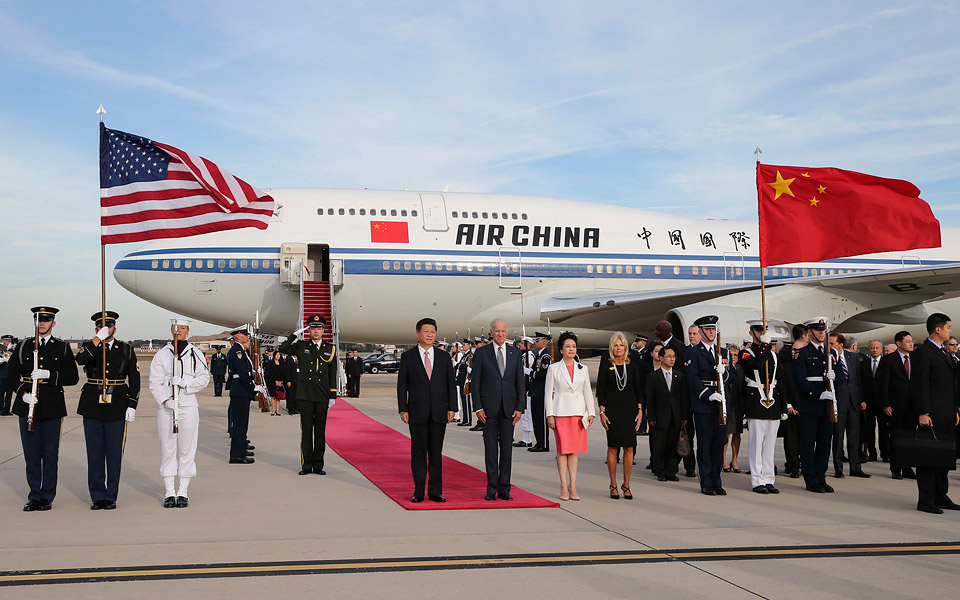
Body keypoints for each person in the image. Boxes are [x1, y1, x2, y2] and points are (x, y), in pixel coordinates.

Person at [9, 306, 79, 511]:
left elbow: (72, 377)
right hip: (27, 406)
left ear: (53, 323)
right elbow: (10, 377)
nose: (42, 323)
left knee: (49, 454)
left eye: (46, 320)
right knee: (31, 454)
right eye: (39, 320)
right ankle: (34, 495)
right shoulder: (23, 346)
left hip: (52, 406)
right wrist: (24, 393)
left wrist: (49, 374)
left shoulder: (62, 348)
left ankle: (47, 495)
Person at [74, 311, 140, 510]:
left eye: (108, 326)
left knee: (113, 454)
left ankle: (111, 496)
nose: (105, 329)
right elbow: (81, 360)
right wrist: (97, 339)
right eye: (100, 327)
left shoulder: (126, 349)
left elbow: (134, 381)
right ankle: (97, 496)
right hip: (92, 404)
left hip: (117, 404)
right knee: (94, 454)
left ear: (115, 328)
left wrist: (132, 405)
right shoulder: (90, 346)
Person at [149, 317, 210, 508]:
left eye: (183, 328)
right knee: (168, 449)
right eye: (176, 328)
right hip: (168, 406)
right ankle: (169, 491)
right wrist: (165, 400)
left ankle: (183, 491)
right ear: (171, 330)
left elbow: (204, 378)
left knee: (187, 449)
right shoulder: (162, 354)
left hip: (188, 404)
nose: (179, 331)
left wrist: (186, 384)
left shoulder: (195, 353)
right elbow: (154, 382)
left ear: (187, 331)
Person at [397, 318, 457, 503]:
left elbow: (450, 384)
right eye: (426, 331)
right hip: (417, 412)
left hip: (439, 412)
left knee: (436, 454)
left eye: (432, 331)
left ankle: (435, 491)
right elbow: (402, 386)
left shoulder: (444, 357)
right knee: (418, 454)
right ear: (418, 333)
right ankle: (418, 491)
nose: (430, 335)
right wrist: (403, 409)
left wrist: (453, 407)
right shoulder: (408, 357)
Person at [909, 313, 960, 514]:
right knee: (929, 458)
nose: (950, 330)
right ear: (937, 329)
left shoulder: (944, 351)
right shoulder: (924, 352)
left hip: (947, 412)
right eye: (947, 327)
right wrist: (923, 412)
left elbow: (950, 384)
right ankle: (926, 500)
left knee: (944, 459)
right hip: (932, 414)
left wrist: (955, 408)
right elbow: (919, 384)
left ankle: (941, 495)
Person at [471, 319, 525, 501]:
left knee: (507, 452)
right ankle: (491, 489)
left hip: (509, 410)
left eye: (503, 331)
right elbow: (475, 383)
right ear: (491, 333)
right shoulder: (481, 353)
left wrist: (520, 408)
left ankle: (504, 489)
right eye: (497, 331)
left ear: (507, 332)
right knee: (491, 451)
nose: (500, 334)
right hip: (488, 410)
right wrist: (477, 407)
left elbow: (520, 383)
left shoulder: (516, 353)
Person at [277, 314, 337, 475]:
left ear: (323, 330)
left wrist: (332, 395)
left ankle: (318, 465)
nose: (315, 331)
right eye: (312, 328)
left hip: (322, 395)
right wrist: (293, 336)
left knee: (319, 431)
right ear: (308, 330)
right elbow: (282, 349)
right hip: (305, 394)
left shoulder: (330, 349)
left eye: (318, 328)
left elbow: (332, 373)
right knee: (306, 432)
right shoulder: (301, 346)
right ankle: (306, 465)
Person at [792, 317, 845, 494]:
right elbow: (799, 380)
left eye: (823, 329)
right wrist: (817, 393)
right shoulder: (803, 353)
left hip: (827, 404)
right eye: (818, 329)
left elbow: (842, 376)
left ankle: (821, 477)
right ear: (809, 332)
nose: (822, 332)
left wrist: (834, 377)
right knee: (808, 444)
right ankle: (811, 479)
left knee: (824, 444)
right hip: (810, 404)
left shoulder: (830, 354)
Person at [682, 315, 730, 496]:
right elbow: (692, 378)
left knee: (719, 444)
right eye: (707, 329)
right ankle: (706, 482)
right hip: (704, 403)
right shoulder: (694, 352)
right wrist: (708, 395)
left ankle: (717, 481)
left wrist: (723, 373)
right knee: (705, 444)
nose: (711, 332)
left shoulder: (723, 352)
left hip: (721, 402)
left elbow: (731, 377)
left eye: (713, 329)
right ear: (700, 331)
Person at [545, 331, 595, 501]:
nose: (571, 349)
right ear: (561, 350)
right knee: (562, 450)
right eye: (568, 346)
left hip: (578, 415)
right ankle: (563, 484)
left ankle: (573, 485)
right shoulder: (554, 368)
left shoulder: (583, 369)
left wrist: (591, 412)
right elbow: (548, 393)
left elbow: (587, 391)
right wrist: (549, 414)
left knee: (574, 451)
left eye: (573, 346)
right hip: (560, 413)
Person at [739, 321, 785, 494]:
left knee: (769, 445)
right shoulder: (746, 353)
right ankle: (757, 480)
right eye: (758, 331)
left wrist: (784, 404)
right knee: (756, 444)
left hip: (773, 401)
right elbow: (758, 363)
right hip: (756, 401)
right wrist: (764, 345)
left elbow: (780, 380)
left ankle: (768, 478)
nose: (761, 333)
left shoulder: (773, 355)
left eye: (763, 330)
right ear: (751, 333)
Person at [597, 332, 642, 499]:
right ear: (611, 347)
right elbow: (600, 390)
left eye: (621, 345)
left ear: (625, 347)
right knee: (613, 447)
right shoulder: (606, 364)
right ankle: (613, 484)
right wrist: (601, 411)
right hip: (612, 410)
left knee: (629, 447)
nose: (618, 348)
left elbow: (637, 388)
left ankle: (627, 484)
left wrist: (639, 409)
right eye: (615, 345)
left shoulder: (632, 365)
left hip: (629, 409)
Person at [877, 331, 917, 480]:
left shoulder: (915, 358)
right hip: (895, 405)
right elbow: (883, 383)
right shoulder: (889, 360)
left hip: (913, 406)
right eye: (907, 341)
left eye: (911, 341)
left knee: (910, 437)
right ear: (899, 343)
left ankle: (907, 467)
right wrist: (885, 404)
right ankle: (896, 467)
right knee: (896, 437)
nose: (911, 344)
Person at [646, 345, 688, 482]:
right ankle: (660, 470)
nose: (672, 359)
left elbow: (683, 398)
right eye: (669, 356)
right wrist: (651, 416)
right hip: (660, 417)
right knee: (660, 445)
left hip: (675, 417)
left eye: (673, 356)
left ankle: (671, 470)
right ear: (661, 358)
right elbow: (649, 398)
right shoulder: (653, 376)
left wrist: (684, 416)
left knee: (672, 445)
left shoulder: (679, 376)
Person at [830, 333, 869, 478]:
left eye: (832, 343)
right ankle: (838, 469)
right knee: (838, 437)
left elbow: (858, 380)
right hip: (838, 401)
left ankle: (855, 467)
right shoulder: (829, 358)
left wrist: (861, 400)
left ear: (840, 344)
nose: (830, 346)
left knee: (854, 436)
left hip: (853, 401)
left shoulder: (852, 357)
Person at [227, 326, 263, 464]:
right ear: (237, 337)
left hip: (241, 390)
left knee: (242, 424)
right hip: (241, 390)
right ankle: (236, 455)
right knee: (239, 424)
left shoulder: (240, 350)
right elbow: (243, 373)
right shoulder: (237, 351)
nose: (247, 337)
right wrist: (252, 387)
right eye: (245, 335)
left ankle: (241, 449)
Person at [778, 324, 806, 479]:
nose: (795, 353)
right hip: (790, 406)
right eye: (794, 350)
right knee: (791, 439)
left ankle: (803, 464)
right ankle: (793, 466)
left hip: (805, 405)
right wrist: (788, 404)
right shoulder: (785, 361)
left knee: (805, 439)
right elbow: (782, 384)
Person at [860, 339, 884, 463]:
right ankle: (871, 453)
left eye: (877, 348)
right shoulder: (863, 363)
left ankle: (885, 453)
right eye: (872, 348)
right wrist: (862, 400)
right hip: (868, 402)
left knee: (883, 428)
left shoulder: (886, 363)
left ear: (881, 349)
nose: (874, 350)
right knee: (869, 428)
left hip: (882, 402)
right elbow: (860, 383)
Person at [527, 333, 552, 452]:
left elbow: (544, 374)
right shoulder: (539, 355)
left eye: (537, 341)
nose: (535, 343)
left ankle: (544, 444)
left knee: (541, 419)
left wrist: (530, 373)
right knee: (536, 419)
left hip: (541, 391)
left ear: (544, 342)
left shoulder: (546, 356)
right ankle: (539, 442)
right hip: (535, 391)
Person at [722, 344, 744, 473]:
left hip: (738, 404)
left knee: (737, 433)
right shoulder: (725, 368)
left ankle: (734, 460)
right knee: (727, 433)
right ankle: (723, 459)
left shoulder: (741, 369)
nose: (734, 357)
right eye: (731, 355)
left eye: (736, 355)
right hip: (727, 403)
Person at [514, 337, 536, 447]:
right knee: (523, 414)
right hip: (522, 387)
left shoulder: (530, 357)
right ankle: (525, 439)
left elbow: (529, 372)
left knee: (527, 414)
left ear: (528, 345)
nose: (520, 345)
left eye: (522, 343)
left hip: (527, 388)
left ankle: (527, 440)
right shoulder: (523, 356)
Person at [455, 340, 473, 426]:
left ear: (469, 346)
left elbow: (465, 367)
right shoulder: (465, 355)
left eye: (464, 345)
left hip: (465, 380)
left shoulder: (469, 356)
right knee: (463, 401)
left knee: (466, 401)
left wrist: (457, 365)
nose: (463, 346)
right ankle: (465, 419)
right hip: (461, 380)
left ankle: (468, 420)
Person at [266, 351, 286, 416]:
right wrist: (275, 381)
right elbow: (269, 373)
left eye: (279, 355)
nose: (278, 356)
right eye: (276, 355)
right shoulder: (271, 363)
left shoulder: (282, 363)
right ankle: (273, 410)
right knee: (273, 396)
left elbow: (283, 373)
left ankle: (277, 411)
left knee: (278, 397)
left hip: (280, 382)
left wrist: (281, 381)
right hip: (272, 382)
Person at [0, 334, 13, 415]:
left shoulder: (13, 350)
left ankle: (7, 410)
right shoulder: (1, 350)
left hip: (11, 375)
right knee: (1, 394)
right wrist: (2, 359)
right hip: (2, 375)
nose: (4, 342)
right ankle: (1, 409)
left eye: (5, 340)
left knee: (9, 394)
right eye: (4, 340)